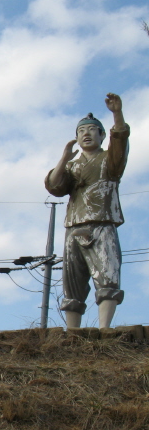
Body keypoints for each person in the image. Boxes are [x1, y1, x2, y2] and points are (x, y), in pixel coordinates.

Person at [45, 93, 129, 329]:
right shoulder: (72, 167)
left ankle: (104, 329)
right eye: (82, 131)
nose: (87, 134)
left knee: (107, 277)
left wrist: (116, 114)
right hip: (74, 227)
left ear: (102, 135)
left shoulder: (109, 161)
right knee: (72, 282)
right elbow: (55, 186)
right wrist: (64, 158)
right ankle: (73, 332)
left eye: (92, 130)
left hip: (102, 223)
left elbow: (120, 143)